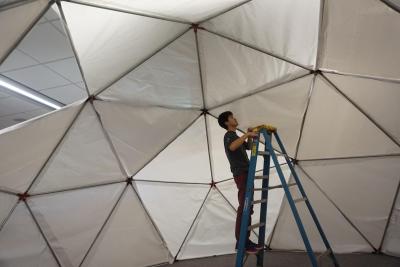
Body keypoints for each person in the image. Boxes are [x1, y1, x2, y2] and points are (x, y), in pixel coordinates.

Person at [217, 111, 263, 255]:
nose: (234, 118)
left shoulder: (236, 136)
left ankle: (245, 241)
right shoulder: (228, 136)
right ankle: (241, 242)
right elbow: (232, 147)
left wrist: (248, 136)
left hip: (246, 173)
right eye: (231, 117)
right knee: (244, 207)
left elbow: (248, 147)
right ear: (226, 122)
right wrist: (247, 135)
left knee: (248, 207)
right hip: (241, 174)